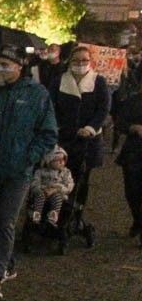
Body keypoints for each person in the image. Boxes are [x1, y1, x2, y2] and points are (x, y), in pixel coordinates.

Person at [0, 44, 57, 300]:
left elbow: (48, 133)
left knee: (6, 221)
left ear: (19, 67)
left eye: (5, 65)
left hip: (17, 172)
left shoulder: (37, 95)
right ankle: (8, 261)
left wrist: (28, 158)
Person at [48, 45, 111, 218]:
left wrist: (91, 128)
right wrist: (56, 126)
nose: (81, 63)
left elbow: (103, 108)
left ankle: (76, 214)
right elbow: (50, 107)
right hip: (64, 138)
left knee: (82, 179)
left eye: (85, 60)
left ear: (90, 62)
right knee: (57, 176)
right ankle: (55, 212)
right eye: (77, 60)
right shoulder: (59, 80)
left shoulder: (99, 81)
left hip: (88, 141)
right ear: (70, 61)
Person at [114, 76, 142, 244]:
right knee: (132, 192)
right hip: (134, 153)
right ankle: (138, 220)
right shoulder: (132, 101)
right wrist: (133, 127)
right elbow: (120, 122)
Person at [27, 145, 74, 226]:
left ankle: (52, 218)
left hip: (57, 192)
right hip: (42, 190)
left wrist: (57, 188)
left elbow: (69, 185)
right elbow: (34, 183)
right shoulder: (40, 171)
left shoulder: (66, 172)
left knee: (57, 198)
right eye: (58, 160)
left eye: (63, 159)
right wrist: (43, 188)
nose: (61, 162)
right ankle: (36, 216)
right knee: (39, 196)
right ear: (49, 161)